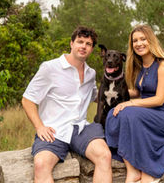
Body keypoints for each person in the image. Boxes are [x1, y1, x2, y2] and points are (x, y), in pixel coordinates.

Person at [22, 26, 112, 183]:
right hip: (54, 130)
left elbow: (95, 97)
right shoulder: (50, 68)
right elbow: (28, 99)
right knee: (41, 164)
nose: (83, 46)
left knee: (104, 155)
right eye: (80, 41)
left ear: (91, 49)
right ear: (71, 44)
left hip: (80, 128)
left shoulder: (91, 73)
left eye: (88, 44)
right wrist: (39, 127)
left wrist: (130, 93)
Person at [105, 25, 164, 183]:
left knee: (127, 113)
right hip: (146, 113)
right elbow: (138, 91)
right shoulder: (139, 66)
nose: (139, 43)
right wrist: (114, 91)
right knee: (113, 114)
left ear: (151, 40)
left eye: (143, 39)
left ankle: (148, 167)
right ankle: (133, 170)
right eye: (135, 40)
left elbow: (159, 99)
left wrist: (130, 103)